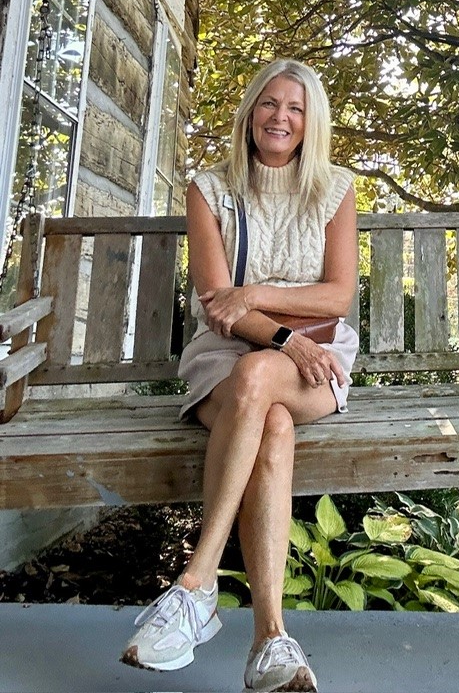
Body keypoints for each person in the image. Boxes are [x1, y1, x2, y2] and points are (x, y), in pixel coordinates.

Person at [121, 58, 359, 693]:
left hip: (317, 355)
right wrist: (282, 334)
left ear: (311, 122)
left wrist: (253, 293)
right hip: (227, 359)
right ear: (250, 112)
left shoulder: (335, 189)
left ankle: (196, 584)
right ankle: (269, 640)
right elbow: (215, 305)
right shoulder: (210, 190)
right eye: (269, 103)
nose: (281, 117)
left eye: (296, 108)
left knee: (262, 382)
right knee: (268, 415)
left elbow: (337, 296)